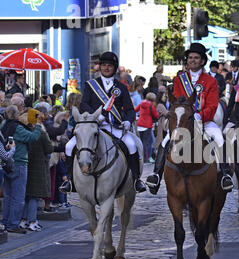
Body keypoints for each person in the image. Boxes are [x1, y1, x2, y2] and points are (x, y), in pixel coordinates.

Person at [146, 42, 234, 194]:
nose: (193, 60)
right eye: (190, 57)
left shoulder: (211, 81)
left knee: (219, 138)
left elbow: (212, 105)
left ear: (202, 61)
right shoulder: (179, 80)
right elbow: (177, 102)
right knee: (166, 140)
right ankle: (156, 175)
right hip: (184, 122)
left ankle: (225, 175)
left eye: (196, 57)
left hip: (204, 121)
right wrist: (184, 116)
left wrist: (200, 115)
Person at [60, 51, 147, 194]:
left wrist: (127, 121)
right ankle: (70, 181)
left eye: (110, 66)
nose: (106, 68)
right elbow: (84, 105)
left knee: (132, 145)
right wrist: (95, 116)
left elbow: (130, 109)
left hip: (115, 126)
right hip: (95, 125)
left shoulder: (121, 87)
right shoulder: (90, 85)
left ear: (114, 68)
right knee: (69, 146)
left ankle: (137, 180)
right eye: (104, 65)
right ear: (100, 67)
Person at [0, 105, 44, 234]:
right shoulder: (17, 127)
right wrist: (38, 125)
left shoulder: (4, 125)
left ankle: (6, 221)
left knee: (8, 195)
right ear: (15, 115)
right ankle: (13, 224)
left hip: (6, 164)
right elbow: (32, 138)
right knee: (18, 197)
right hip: (19, 163)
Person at [20, 107, 53, 232]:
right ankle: (32, 221)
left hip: (27, 165)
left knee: (27, 195)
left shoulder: (24, 131)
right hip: (39, 167)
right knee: (34, 196)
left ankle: (23, 220)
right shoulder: (40, 133)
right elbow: (49, 149)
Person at [135, 92, 159, 163]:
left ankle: (140, 157)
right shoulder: (151, 106)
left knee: (141, 142)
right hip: (147, 126)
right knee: (148, 142)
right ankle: (146, 158)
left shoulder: (141, 103)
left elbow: (135, 110)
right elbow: (156, 115)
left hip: (140, 125)